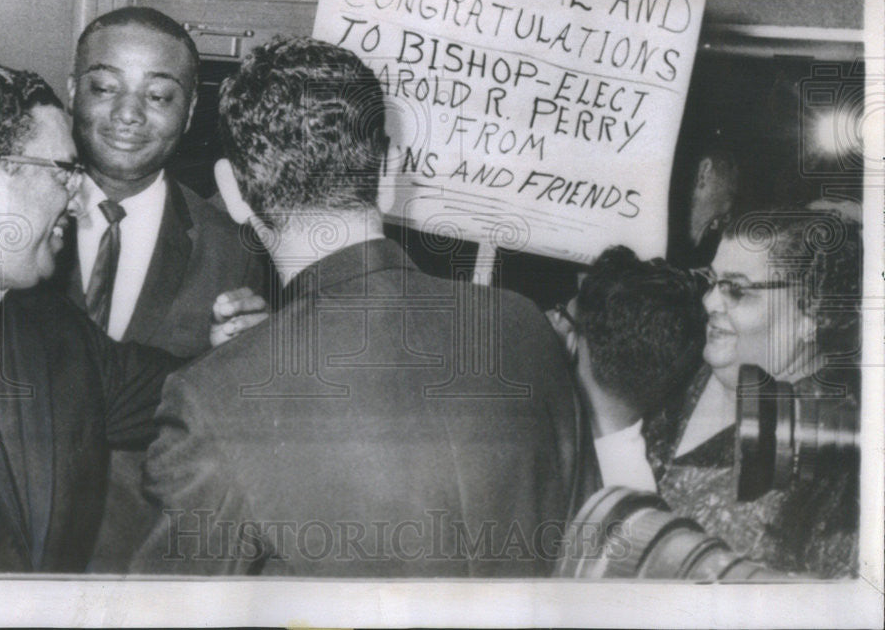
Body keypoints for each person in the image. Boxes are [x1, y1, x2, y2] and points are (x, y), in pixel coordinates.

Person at [131, 35, 599, 576]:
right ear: (388, 172)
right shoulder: (522, 324)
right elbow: (589, 555)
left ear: (232, 193)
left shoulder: (211, 399)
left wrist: (242, 367)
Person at [0, 63, 182, 573]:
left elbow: (186, 390)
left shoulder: (54, 324)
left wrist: (245, 343)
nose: (80, 201)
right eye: (66, 172)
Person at [61, 6, 269, 570]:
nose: (128, 113)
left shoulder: (236, 253)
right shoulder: (6, 228)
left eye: (158, 96)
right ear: (72, 89)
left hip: (144, 565)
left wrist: (243, 366)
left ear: (190, 109)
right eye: (105, 86)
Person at [643, 208, 861, 577]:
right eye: (712, 281)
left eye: (736, 289)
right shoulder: (681, 367)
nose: (709, 302)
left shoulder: (839, 456)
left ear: (812, 313)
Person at [558, 246, 705, 492]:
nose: (554, 320)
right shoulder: (635, 494)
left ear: (573, 342)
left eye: (563, 314)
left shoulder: (534, 441)